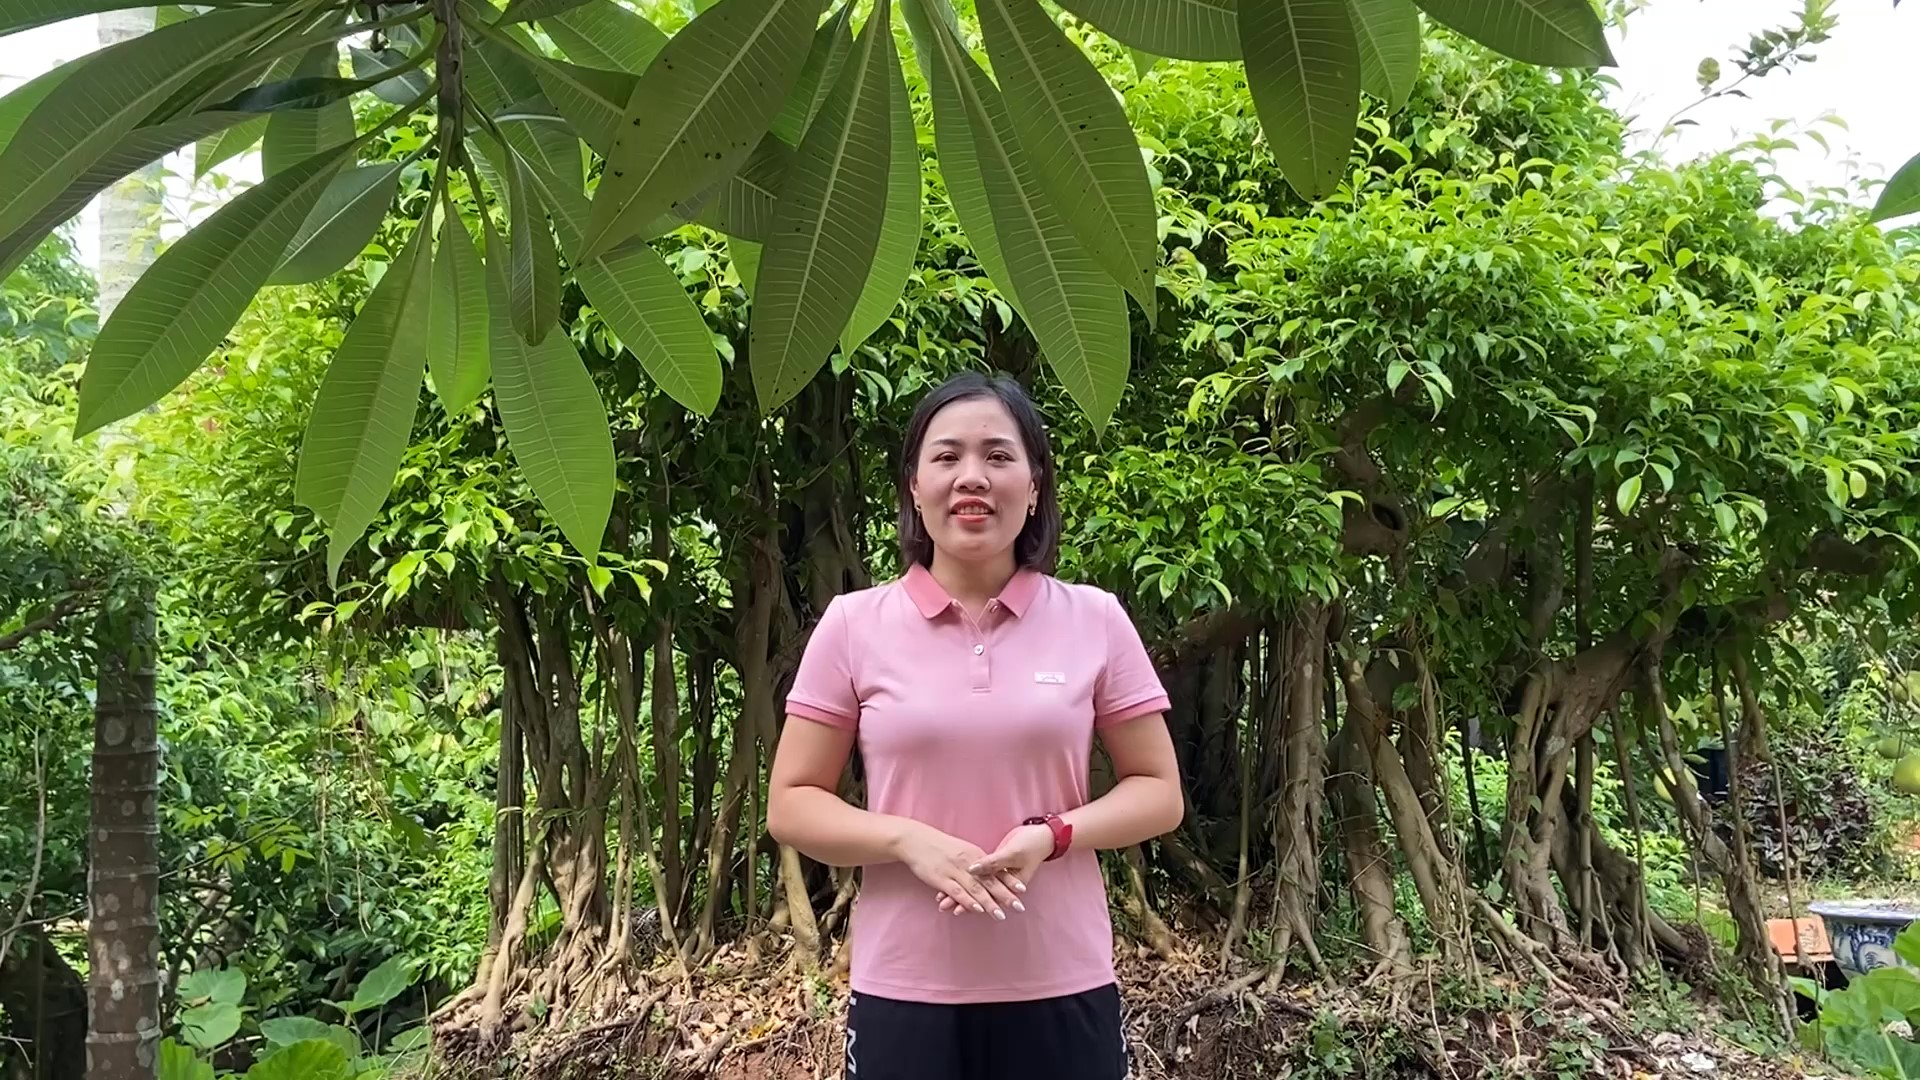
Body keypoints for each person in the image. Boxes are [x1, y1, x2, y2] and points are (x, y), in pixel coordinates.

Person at [767, 371, 1185, 1080]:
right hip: (905, 987)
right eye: (947, 456)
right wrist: (908, 840)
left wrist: (1053, 835)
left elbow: (1159, 792)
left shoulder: (1095, 619)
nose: (972, 477)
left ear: (1035, 485)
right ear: (914, 486)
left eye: (997, 456)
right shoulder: (853, 625)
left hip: (1062, 980)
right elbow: (791, 803)